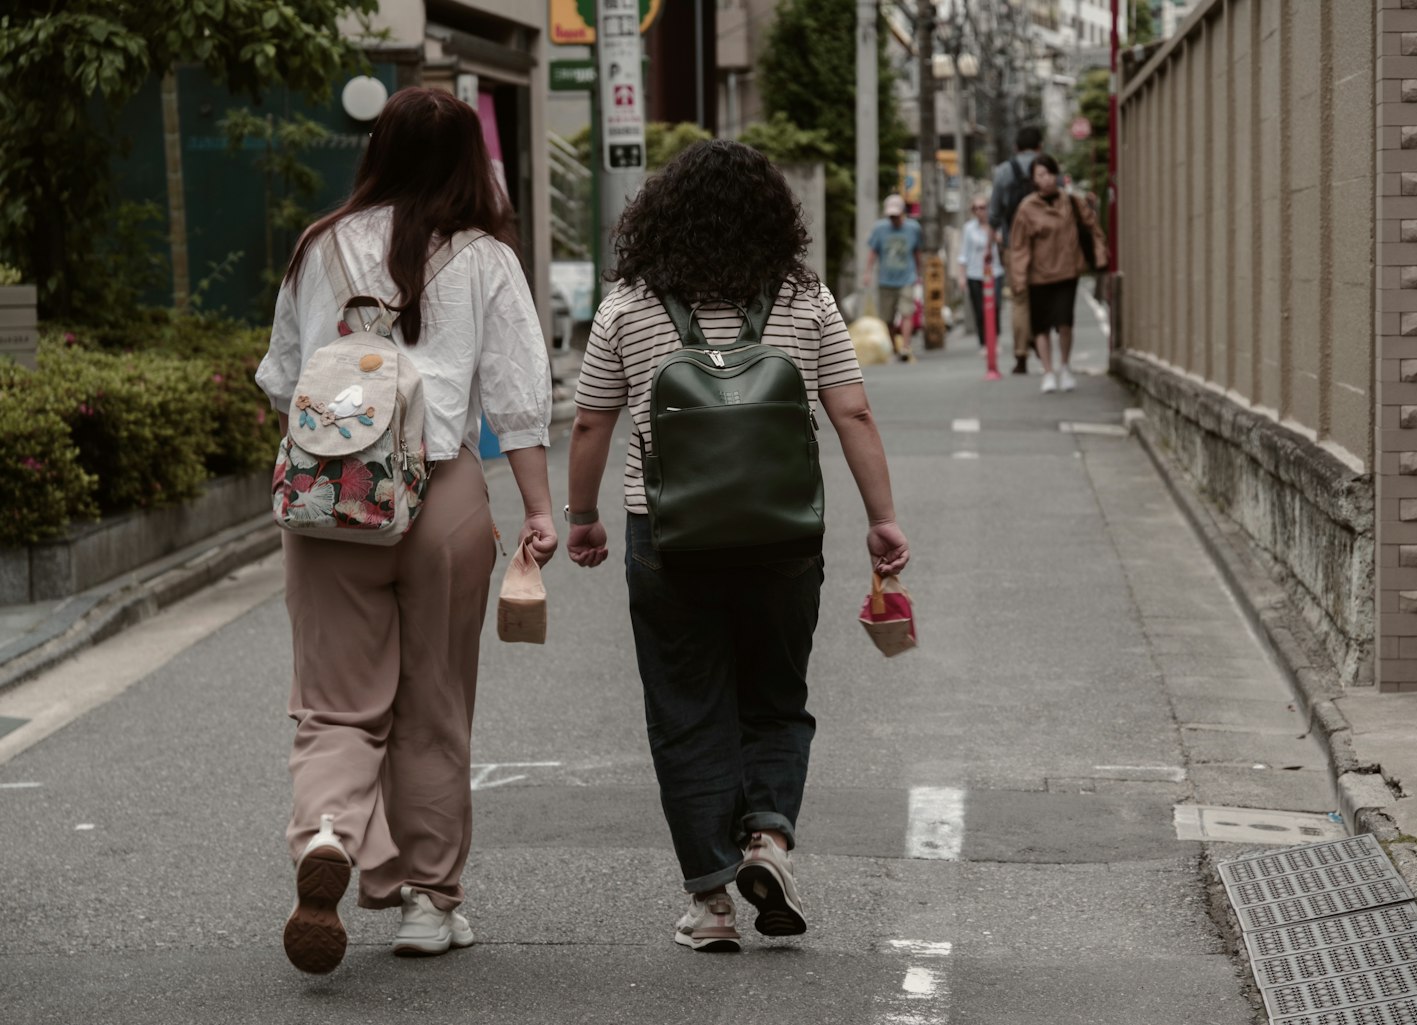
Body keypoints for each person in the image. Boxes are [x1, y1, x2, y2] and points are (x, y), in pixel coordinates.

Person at [564, 140, 911, 953]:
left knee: (687, 713)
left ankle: (713, 902)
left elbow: (588, 421)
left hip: (669, 536)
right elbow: (852, 413)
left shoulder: (630, 303)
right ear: (772, 214)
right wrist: (882, 517)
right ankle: (768, 842)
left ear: (661, 214)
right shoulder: (804, 296)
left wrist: (583, 515)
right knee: (775, 698)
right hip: (783, 536)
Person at [255, 86, 557, 975]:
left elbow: (283, 380)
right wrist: (539, 509)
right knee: (434, 703)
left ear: (376, 150)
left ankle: (330, 836)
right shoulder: (484, 259)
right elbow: (517, 398)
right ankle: (429, 901)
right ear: (471, 163)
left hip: (330, 498)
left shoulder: (319, 245)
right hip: (443, 492)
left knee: (333, 704)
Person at [1006, 152, 1108, 395]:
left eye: (1050, 173)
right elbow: (1019, 247)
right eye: (1041, 174)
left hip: (1067, 271)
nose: (1048, 179)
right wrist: (1018, 279)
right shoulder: (1027, 208)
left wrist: (1100, 255)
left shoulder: (1071, 201)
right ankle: (1048, 371)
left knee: (1065, 323)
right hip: (1038, 276)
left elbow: (1092, 227)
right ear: (1033, 179)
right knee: (1040, 326)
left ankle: (1064, 366)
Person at [990, 126, 1043, 374]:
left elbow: (993, 214)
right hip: (1045, 245)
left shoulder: (1003, 171)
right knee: (1042, 295)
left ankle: (1020, 355)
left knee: (1019, 299)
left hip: (1014, 245)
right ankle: (1044, 350)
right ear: (1039, 146)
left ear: (1016, 147)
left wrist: (995, 242)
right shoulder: (1047, 167)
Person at [862, 193, 922, 361]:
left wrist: (919, 272)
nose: (893, 218)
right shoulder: (879, 229)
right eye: (891, 216)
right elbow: (873, 252)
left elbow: (917, 251)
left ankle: (905, 346)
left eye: (896, 215)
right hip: (886, 279)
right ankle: (895, 345)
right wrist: (867, 273)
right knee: (887, 319)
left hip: (907, 278)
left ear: (902, 212)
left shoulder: (913, 228)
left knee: (906, 312)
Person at [957, 194, 1003, 350]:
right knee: (979, 309)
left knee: (995, 306)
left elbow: (1004, 245)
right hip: (975, 273)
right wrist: (962, 276)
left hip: (995, 271)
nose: (979, 211)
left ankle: (995, 339)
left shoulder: (996, 225)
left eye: (982, 207)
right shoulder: (969, 228)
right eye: (975, 208)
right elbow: (964, 253)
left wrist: (996, 237)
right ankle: (984, 342)